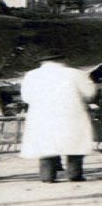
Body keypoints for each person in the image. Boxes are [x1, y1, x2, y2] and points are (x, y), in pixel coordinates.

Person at [20, 54, 96, 183]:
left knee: (46, 143)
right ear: (62, 60)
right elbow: (89, 93)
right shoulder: (76, 73)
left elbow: (26, 97)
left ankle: (47, 175)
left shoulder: (31, 75)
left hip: (42, 114)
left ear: (42, 62)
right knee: (75, 143)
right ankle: (74, 174)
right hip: (71, 113)